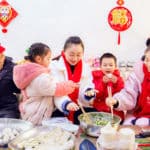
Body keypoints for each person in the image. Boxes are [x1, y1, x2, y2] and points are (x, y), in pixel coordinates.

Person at [13, 42, 79, 125]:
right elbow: (54, 88)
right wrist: (70, 85)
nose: (50, 61)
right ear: (38, 59)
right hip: (36, 115)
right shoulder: (39, 77)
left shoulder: (32, 73)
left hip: (33, 110)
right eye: (48, 58)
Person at [51, 36, 97, 124]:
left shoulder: (85, 67)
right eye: (71, 55)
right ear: (64, 52)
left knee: (94, 118)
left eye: (79, 55)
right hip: (60, 107)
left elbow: (87, 85)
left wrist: (88, 92)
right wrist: (66, 103)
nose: (75, 58)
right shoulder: (54, 66)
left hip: (79, 106)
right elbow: (56, 91)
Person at [106, 45, 150, 126]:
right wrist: (116, 101)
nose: (146, 63)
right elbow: (128, 94)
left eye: (148, 60)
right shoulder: (138, 74)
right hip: (137, 114)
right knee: (128, 128)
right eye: (146, 59)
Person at [92, 53, 125, 120]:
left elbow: (123, 94)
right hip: (99, 110)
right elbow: (95, 94)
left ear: (115, 66)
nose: (108, 67)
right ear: (100, 66)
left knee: (118, 121)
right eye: (105, 65)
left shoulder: (119, 78)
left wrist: (116, 83)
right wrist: (102, 83)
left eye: (111, 65)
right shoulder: (96, 78)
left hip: (115, 110)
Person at [0, 44, 20, 118]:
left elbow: (20, 89)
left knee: (7, 126)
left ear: (3, 55)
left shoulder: (14, 68)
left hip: (7, 108)